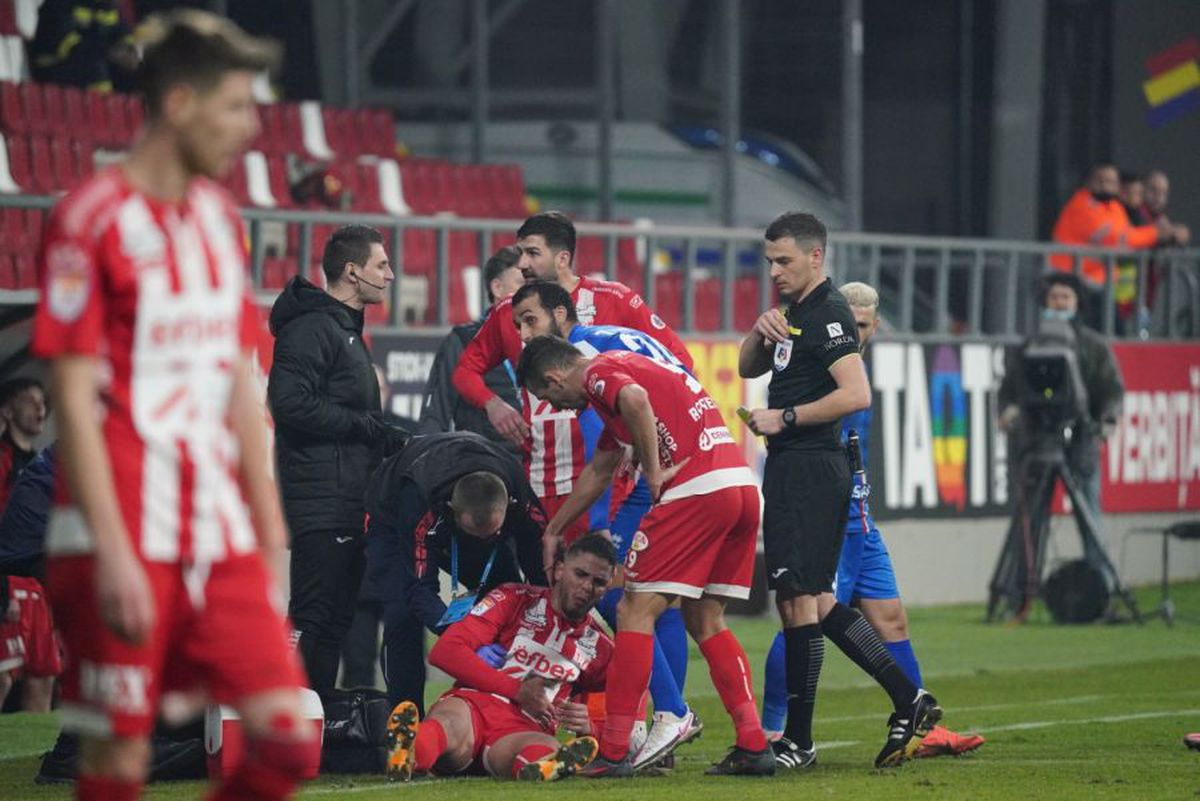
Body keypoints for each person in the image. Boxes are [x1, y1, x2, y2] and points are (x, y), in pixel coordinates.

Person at [30, 11, 319, 801]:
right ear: (181, 103)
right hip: (116, 531)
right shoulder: (88, 220)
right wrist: (114, 550)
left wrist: (267, 536)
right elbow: (72, 400)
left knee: (287, 741)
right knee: (118, 766)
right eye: (234, 107)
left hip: (215, 529)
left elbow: (237, 389)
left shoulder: (221, 222)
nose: (250, 128)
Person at [740, 212, 941, 770]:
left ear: (815, 257)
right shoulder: (794, 313)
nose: (774, 270)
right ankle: (909, 697)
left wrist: (784, 416)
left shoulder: (828, 314)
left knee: (797, 603)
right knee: (818, 603)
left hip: (808, 470)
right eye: (770, 261)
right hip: (800, 470)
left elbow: (857, 394)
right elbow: (743, 366)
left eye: (784, 260)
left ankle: (795, 740)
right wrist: (762, 328)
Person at [519, 337, 774, 777]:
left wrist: (653, 471)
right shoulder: (626, 370)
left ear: (554, 377)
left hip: (695, 489)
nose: (556, 405)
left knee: (632, 608)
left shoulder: (597, 373)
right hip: (738, 484)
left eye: (549, 397)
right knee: (705, 617)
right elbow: (601, 470)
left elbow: (635, 400)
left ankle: (618, 749)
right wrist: (555, 530)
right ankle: (753, 743)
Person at [759, 282, 984, 759]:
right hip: (834, 517)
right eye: (848, 324)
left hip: (861, 516)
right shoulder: (821, 368)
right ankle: (772, 729)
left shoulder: (854, 372)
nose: (854, 334)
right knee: (806, 612)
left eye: (862, 326)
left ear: (875, 326)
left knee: (890, 618)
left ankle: (920, 721)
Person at [511, 280, 699, 769]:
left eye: (531, 321)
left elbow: (609, 451)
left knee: (617, 592)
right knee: (672, 605)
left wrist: (602, 523)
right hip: (695, 446)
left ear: (559, 314)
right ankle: (661, 727)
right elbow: (681, 366)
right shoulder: (615, 333)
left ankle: (664, 717)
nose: (526, 335)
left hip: (663, 469)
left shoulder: (588, 357)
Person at [451, 212, 692, 546]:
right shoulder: (512, 312)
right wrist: (493, 405)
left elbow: (679, 363)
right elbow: (464, 372)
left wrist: (645, 434)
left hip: (612, 476)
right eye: (520, 252)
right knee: (555, 582)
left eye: (532, 253)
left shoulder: (615, 299)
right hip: (545, 475)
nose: (521, 263)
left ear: (563, 258)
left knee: (610, 581)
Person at [268, 223, 409, 699]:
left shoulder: (342, 330)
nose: (391, 275)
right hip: (321, 500)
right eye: (381, 265)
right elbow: (288, 403)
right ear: (352, 271)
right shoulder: (312, 328)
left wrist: (381, 438)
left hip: (345, 498)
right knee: (312, 617)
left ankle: (317, 728)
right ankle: (288, 723)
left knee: (335, 620)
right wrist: (365, 426)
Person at [387, 533, 618, 782]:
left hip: (522, 731)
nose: (586, 587)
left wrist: (590, 728)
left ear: (607, 588)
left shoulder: (601, 649)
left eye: (599, 582)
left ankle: (540, 769)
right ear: (560, 569)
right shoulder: (514, 598)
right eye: (580, 574)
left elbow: (616, 724)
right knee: (449, 722)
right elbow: (445, 652)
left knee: (544, 746)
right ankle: (408, 755)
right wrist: (518, 690)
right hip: (473, 706)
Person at [363, 431, 547, 710]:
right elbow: (418, 590)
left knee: (509, 600)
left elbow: (539, 562)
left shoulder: (520, 493)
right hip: (391, 519)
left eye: (492, 533)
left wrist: (543, 613)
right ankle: (406, 718)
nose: (483, 540)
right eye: (475, 533)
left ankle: (499, 714)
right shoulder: (418, 499)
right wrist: (462, 639)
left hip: (470, 499)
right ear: (451, 510)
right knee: (402, 614)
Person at [998, 272, 1124, 529]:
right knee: (1029, 521)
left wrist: (1105, 422)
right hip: (1036, 442)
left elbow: (1111, 390)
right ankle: (1026, 569)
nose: (1060, 302)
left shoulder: (1093, 347)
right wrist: (1008, 415)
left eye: (1066, 297)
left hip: (1080, 440)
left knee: (1089, 513)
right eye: (1054, 297)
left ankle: (1098, 569)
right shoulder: (1027, 347)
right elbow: (1008, 391)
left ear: (1077, 302)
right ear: (1045, 302)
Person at [1049, 164, 1186, 329]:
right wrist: (1159, 234)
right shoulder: (1083, 205)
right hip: (1070, 282)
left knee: (1112, 333)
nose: (1106, 186)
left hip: (1097, 284)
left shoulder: (1113, 207)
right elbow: (1121, 239)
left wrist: (1165, 234)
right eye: (1101, 180)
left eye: (1111, 182)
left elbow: (1127, 232)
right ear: (1089, 182)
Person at [420, 245, 525, 450]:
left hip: (535, 463)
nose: (529, 292)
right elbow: (436, 414)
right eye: (521, 284)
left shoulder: (540, 338)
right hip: (484, 463)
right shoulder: (464, 339)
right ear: (497, 288)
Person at [30, 0, 140, 92]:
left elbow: (120, 30)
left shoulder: (107, 5)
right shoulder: (60, 3)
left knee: (135, 73)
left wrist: (128, 50)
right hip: (52, 67)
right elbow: (67, 45)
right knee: (95, 65)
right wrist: (108, 53)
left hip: (93, 61)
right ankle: (100, 113)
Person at [0, 378, 47, 511]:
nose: (40, 407)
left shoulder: (40, 462)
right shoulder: (3, 456)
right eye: (30, 401)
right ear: (8, 412)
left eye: (42, 401)